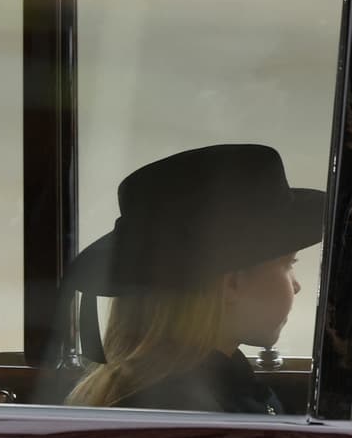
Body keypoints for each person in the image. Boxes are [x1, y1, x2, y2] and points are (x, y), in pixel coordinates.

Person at [63, 144, 324, 414]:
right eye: (288, 264)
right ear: (232, 283)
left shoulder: (208, 386)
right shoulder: (191, 411)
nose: (296, 285)